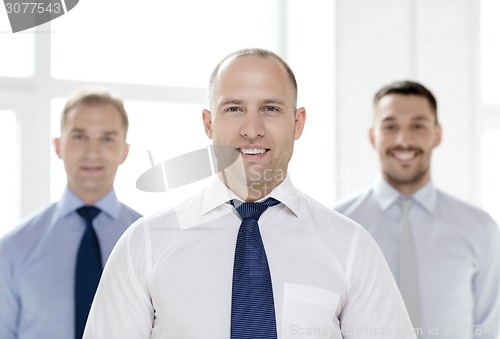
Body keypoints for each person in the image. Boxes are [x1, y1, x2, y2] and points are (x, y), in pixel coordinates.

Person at [83, 48, 416, 339]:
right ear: (208, 123)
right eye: (233, 109)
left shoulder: (350, 247)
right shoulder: (145, 245)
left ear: (298, 123)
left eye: (270, 109)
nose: (252, 129)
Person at [335, 80, 500, 339]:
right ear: (372, 136)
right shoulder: (337, 224)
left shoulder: (480, 229)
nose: (404, 140)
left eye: (418, 126)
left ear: (437, 134)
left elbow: (490, 330)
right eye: (390, 126)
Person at [0, 89, 142, 339]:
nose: (92, 152)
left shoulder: (149, 242)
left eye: (107, 138)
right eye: (79, 136)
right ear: (58, 146)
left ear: (124, 151)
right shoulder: (13, 249)